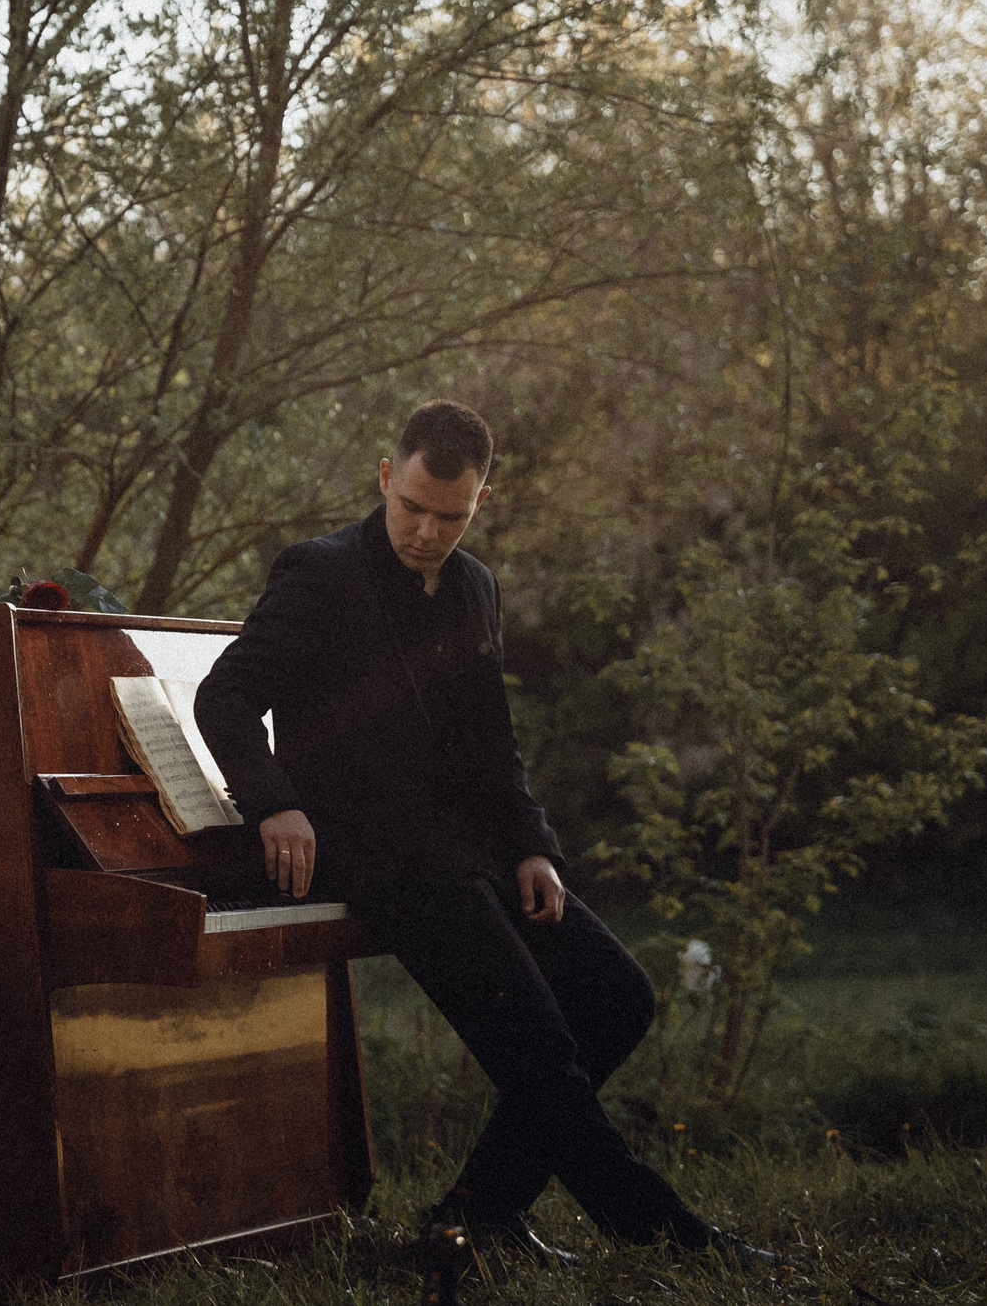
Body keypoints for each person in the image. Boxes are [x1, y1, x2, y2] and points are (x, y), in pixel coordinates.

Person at [192, 400, 772, 1267]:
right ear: (387, 478)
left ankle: (475, 1218)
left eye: (450, 516)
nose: (427, 532)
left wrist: (533, 844)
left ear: (481, 501)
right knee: (539, 1052)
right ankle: (661, 1232)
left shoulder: (474, 587)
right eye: (413, 508)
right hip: (374, 854)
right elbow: (225, 698)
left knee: (619, 1000)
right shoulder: (319, 573)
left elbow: (488, 744)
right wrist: (274, 801)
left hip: (471, 852)